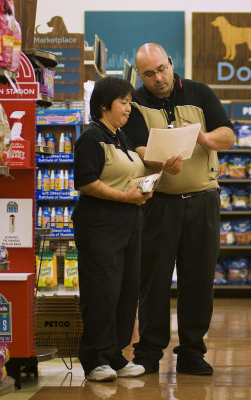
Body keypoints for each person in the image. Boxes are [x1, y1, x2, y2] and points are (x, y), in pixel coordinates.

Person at [121, 43, 235, 375]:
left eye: (162, 69)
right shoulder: (136, 102)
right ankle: (149, 352)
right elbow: (138, 147)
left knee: (198, 280)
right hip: (158, 204)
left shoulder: (199, 93)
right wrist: (159, 163)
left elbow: (227, 135)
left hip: (203, 201)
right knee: (153, 280)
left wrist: (202, 137)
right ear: (139, 75)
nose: (158, 78)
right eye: (149, 74)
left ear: (171, 63)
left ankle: (191, 353)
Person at [73, 76, 152, 382]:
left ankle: (115, 354)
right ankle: (95, 359)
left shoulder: (121, 137)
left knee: (125, 292)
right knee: (102, 291)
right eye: (123, 102)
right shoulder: (92, 137)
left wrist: (144, 187)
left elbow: (126, 174)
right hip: (100, 226)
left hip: (129, 226)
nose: (129, 108)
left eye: (130, 102)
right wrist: (125, 197)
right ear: (104, 104)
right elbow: (86, 181)